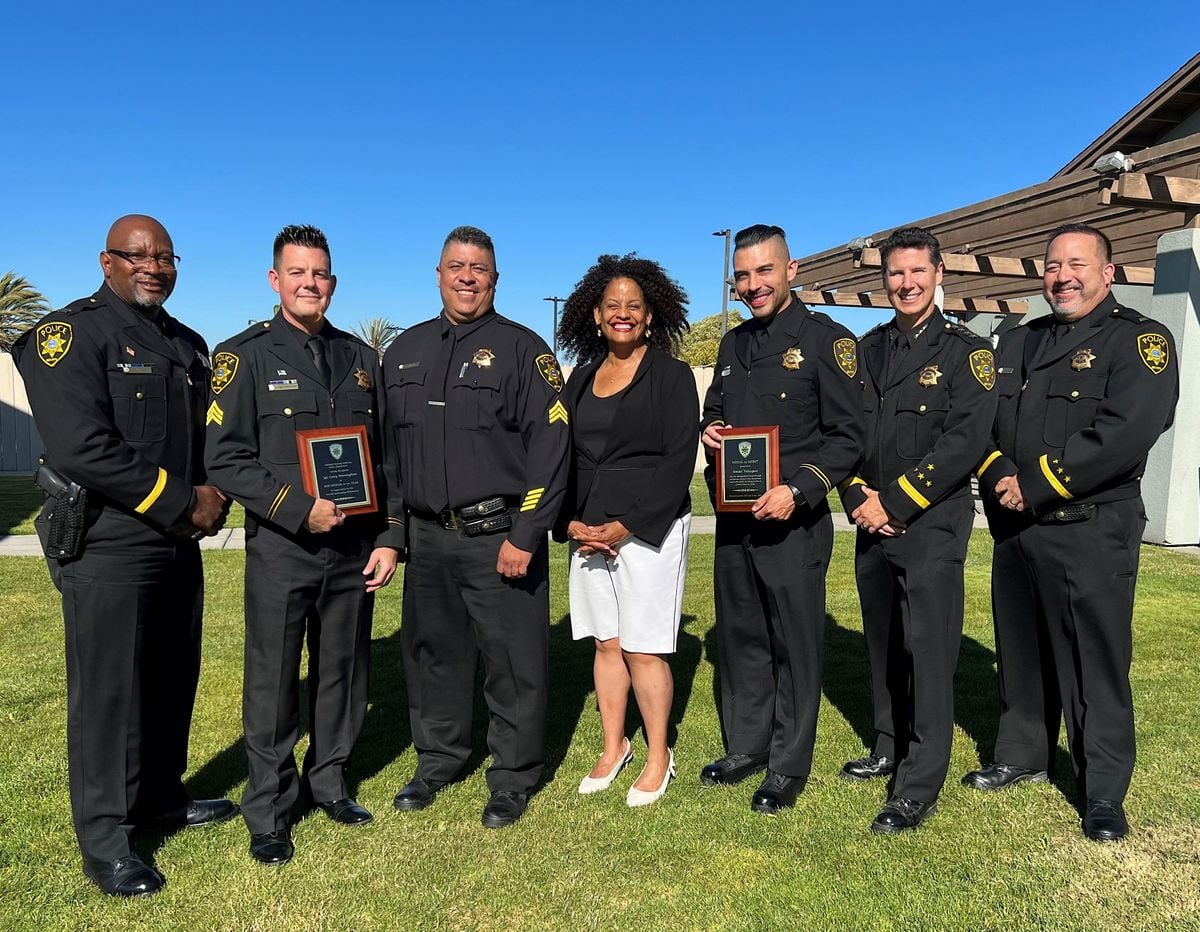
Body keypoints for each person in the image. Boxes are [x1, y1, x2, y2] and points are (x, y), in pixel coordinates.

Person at [12, 215, 236, 897]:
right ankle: (106, 839)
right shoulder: (68, 336)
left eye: (166, 258)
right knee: (108, 693)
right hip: (110, 542)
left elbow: (209, 440)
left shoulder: (187, 344)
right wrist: (184, 502)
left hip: (176, 544)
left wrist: (220, 486)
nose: (154, 268)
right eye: (139, 256)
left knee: (172, 676)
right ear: (107, 261)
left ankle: (161, 796)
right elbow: (83, 447)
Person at [965, 223, 1178, 842]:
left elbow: (1129, 429)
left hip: (1091, 528)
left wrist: (1035, 481)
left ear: (1108, 272)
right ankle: (1023, 754)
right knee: (1022, 650)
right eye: (1053, 265)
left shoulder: (1139, 340)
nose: (1062, 275)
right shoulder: (1019, 341)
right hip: (1017, 529)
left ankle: (1103, 789)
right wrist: (998, 469)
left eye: (1077, 264)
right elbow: (987, 418)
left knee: (1093, 660)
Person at [205, 225, 405, 865]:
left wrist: (390, 537)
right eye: (297, 273)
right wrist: (298, 509)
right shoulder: (243, 357)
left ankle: (329, 782)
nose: (309, 284)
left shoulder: (360, 358)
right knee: (272, 681)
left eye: (319, 274)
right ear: (275, 280)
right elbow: (225, 458)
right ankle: (268, 808)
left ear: (333, 282)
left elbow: (386, 457)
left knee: (343, 672)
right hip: (283, 548)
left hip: (352, 550)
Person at [384, 226, 570, 829]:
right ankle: (437, 760)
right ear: (437, 273)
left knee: (512, 661)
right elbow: (386, 454)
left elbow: (552, 445)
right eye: (456, 266)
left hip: (500, 537)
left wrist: (526, 532)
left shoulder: (524, 349)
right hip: (428, 537)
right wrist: (393, 531)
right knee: (434, 656)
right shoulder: (403, 351)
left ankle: (513, 776)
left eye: (480, 269)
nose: (468, 277)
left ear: (495, 278)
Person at [699, 224, 866, 813]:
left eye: (764, 271)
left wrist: (799, 490)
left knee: (793, 642)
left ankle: (788, 764)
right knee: (743, 636)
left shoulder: (827, 340)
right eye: (742, 275)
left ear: (791, 270)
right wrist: (709, 433)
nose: (752, 285)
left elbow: (850, 436)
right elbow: (715, 411)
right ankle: (746, 747)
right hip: (736, 521)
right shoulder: (732, 344)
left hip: (793, 520)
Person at [837, 227, 998, 833]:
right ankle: (887, 742)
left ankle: (921, 778)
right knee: (881, 640)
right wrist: (857, 496)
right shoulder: (868, 348)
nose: (905, 284)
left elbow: (966, 441)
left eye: (916, 273)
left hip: (930, 524)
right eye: (895, 274)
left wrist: (895, 502)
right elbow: (847, 432)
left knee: (927, 650)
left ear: (940, 276)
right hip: (870, 519)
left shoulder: (966, 352)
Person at [553, 254, 697, 807]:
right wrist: (568, 520)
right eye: (612, 305)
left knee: (643, 646)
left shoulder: (671, 374)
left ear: (650, 316)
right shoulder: (582, 377)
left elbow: (679, 458)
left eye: (633, 306)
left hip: (647, 527)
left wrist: (628, 525)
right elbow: (562, 453)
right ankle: (615, 747)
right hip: (587, 526)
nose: (622, 314)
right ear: (594, 314)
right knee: (606, 643)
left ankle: (659, 754)